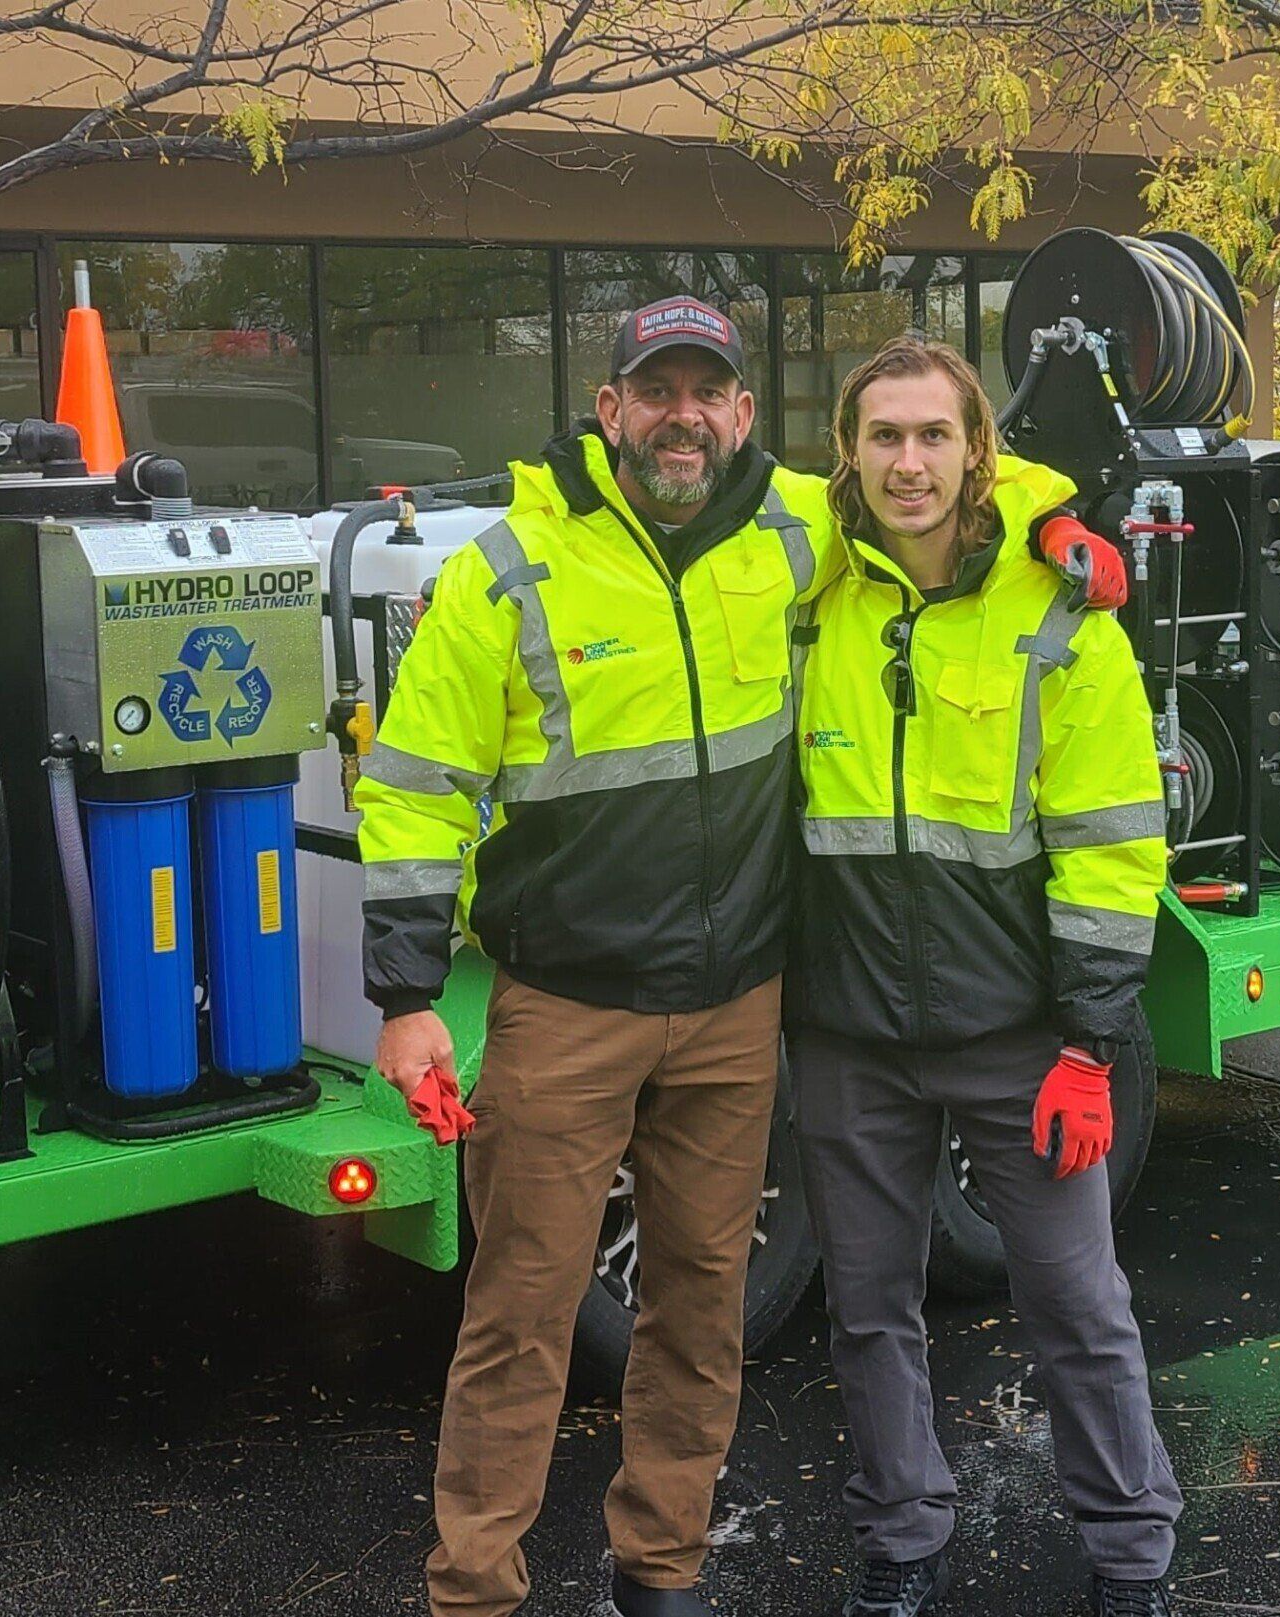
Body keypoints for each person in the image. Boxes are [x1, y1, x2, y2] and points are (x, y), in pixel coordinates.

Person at [356, 298, 1126, 1617]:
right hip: (566, 1010)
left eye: (706, 391)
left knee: (701, 1311)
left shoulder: (790, 532)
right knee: (520, 1317)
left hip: (733, 1011)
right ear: (610, 411)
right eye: (655, 391)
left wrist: (1058, 529)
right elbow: (417, 787)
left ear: (744, 415)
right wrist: (408, 998)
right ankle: (474, 1589)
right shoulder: (511, 569)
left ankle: (661, 1570)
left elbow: (940, 478)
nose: (682, 417)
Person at [786, 335, 1183, 1617]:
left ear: (978, 453)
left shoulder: (1063, 605)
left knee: (1079, 1307)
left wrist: (1091, 1042)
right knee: (868, 1312)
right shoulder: (808, 596)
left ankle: (1132, 1564)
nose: (909, 463)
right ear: (846, 453)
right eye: (884, 437)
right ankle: (903, 1546)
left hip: (1020, 1038)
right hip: (849, 1033)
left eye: (933, 437)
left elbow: (1115, 844)